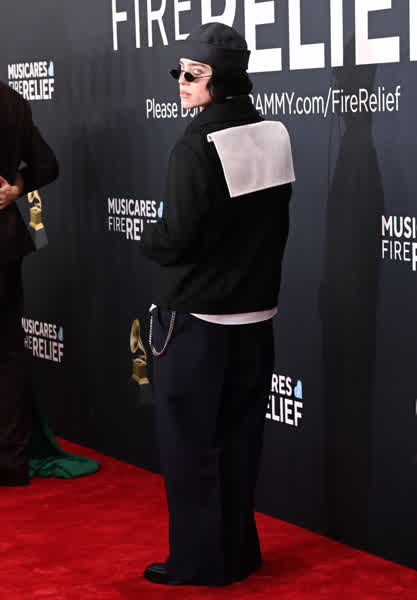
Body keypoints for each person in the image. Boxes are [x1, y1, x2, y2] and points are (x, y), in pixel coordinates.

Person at [139, 22, 295, 586]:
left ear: (222, 78)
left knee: (190, 447)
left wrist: (145, 238)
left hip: (197, 319)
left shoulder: (195, 145)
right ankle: (238, 552)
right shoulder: (275, 134)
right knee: (239, 440)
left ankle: (199, 562)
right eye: (179, 71)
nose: (181, 81)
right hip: (255, 317)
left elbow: (176, 239)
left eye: (194, 73)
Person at [0, 81, 59, 486]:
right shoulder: (10, 101)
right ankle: (10, 463)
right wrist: (17, 187)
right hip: (4, 246)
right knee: (7, 353)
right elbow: (47, 165)